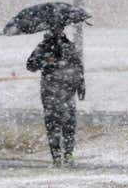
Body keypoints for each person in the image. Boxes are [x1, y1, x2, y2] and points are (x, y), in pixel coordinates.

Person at [27, 24, 85, 166]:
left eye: (59, 28)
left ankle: (68, 154)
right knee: (53, 125)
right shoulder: (44, 47)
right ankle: (56, 156)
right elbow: (30, 65)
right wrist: (45, 61)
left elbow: (78, 66)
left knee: (69, 124)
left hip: (67, 90)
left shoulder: (68, 46)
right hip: (50, 91)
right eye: (55, 29)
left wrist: (81, 85)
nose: (57, 31)